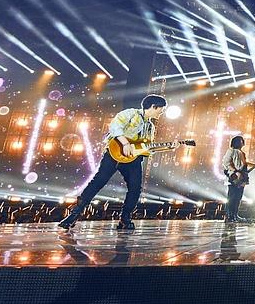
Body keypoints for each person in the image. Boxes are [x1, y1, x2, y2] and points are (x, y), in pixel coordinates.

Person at [58, 94, 178, 230]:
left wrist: (168, 147)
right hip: (114, 154)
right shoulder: (130, 114)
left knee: (135, 188)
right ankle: (74, 215)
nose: (161, 112)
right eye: (161, 109)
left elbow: (146, 148)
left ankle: (125, 219)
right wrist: (125, 143)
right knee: (98, 182)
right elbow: (115, 127)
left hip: (133, 159)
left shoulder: (150, 127)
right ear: (153, 106)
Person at [221, 135, 255, 223]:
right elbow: (226, 162)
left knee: (238, 197)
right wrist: (235, 171)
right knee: (232, 197)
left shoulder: (241, 153)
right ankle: (229, 216)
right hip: (234, 176)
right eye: (241, 141)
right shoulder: (231, 151)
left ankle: (235, 215)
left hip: (242, 177)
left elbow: (244, 163)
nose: (242, 143)